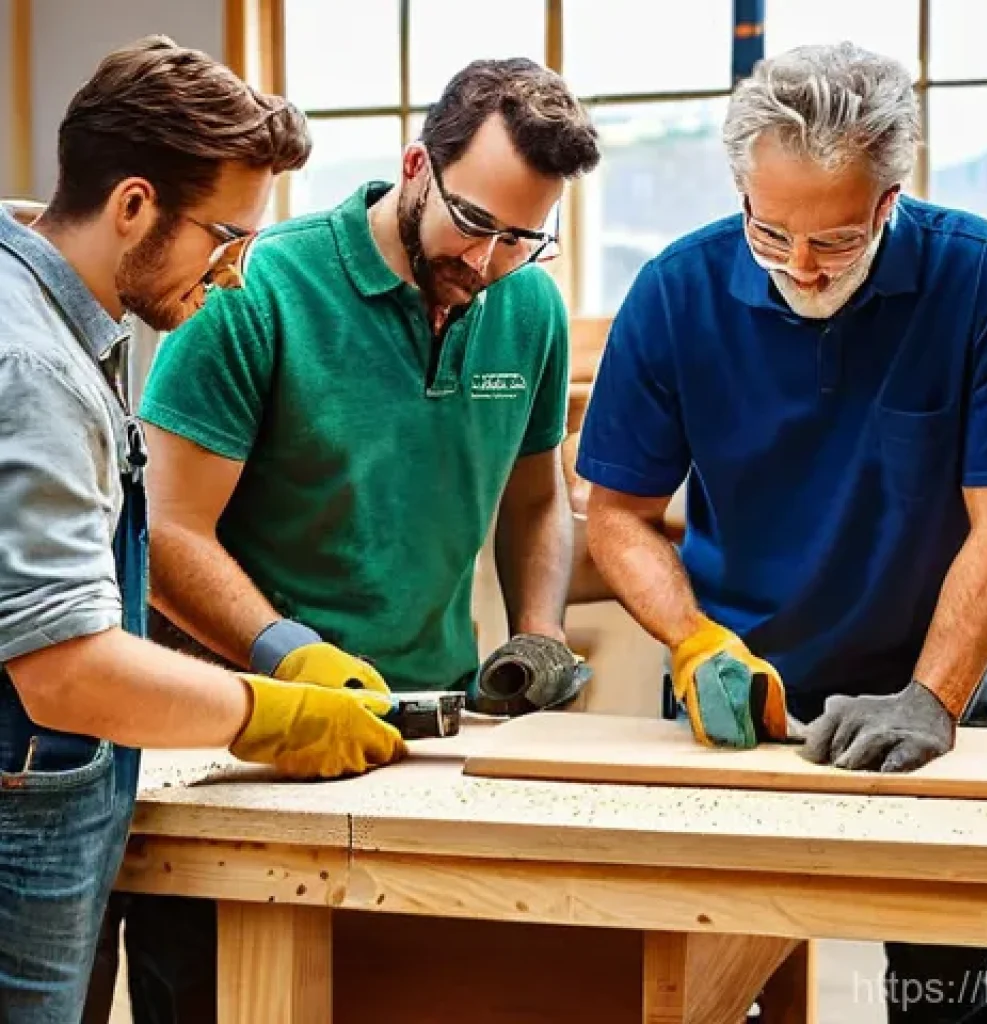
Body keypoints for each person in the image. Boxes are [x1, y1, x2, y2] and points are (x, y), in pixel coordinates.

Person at [110, 58, 600, 1020]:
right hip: (242, 753)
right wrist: (293, 660)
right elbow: (164, 535)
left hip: (432, 752)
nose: (490, 262)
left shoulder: (528, 307)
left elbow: (537, 501)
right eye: (473, 223)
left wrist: (539, 631)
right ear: (417, 164)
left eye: (522, 237)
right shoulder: (255, 289)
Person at [577, 41, 987, 1024]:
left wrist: (931, 698)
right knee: (710, 991)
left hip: (925, 694)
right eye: (770, 233)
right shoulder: (676, 290)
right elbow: (617, 516)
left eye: (834, 239)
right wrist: (693, 643)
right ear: (740, 188)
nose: (803, 267)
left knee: (936, 999)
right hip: (730, 697)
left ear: (889, 196)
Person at [0, 37, 406, 1024]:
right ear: (133, 205)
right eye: (226, 240)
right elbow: (64, 668)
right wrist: (270, 711)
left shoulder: (52, 307)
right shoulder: (39, 370)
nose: (234, 278)